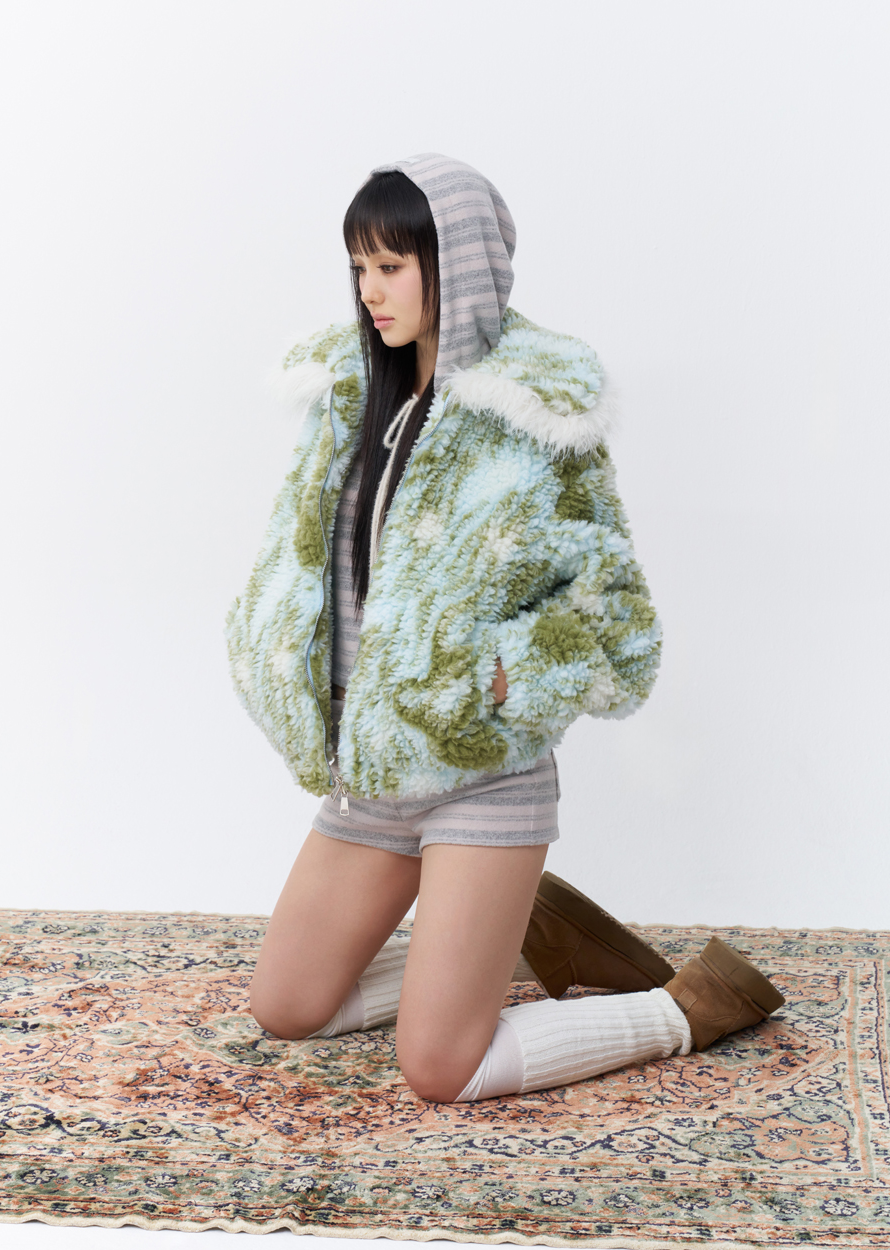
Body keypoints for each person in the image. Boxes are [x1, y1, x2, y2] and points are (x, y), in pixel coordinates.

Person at [225, 153, 784, 1103]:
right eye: (359, 267)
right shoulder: (350, 395)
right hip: (372, 776)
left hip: (482, 773)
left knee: (443, 1067)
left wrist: (505, 679)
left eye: (391, 266)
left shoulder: (537, 413)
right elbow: (301, 563)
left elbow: (615, 618)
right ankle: (502, 941)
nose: (369, 292)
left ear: (459, 263)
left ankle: (686, 1007)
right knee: (288, 1008)